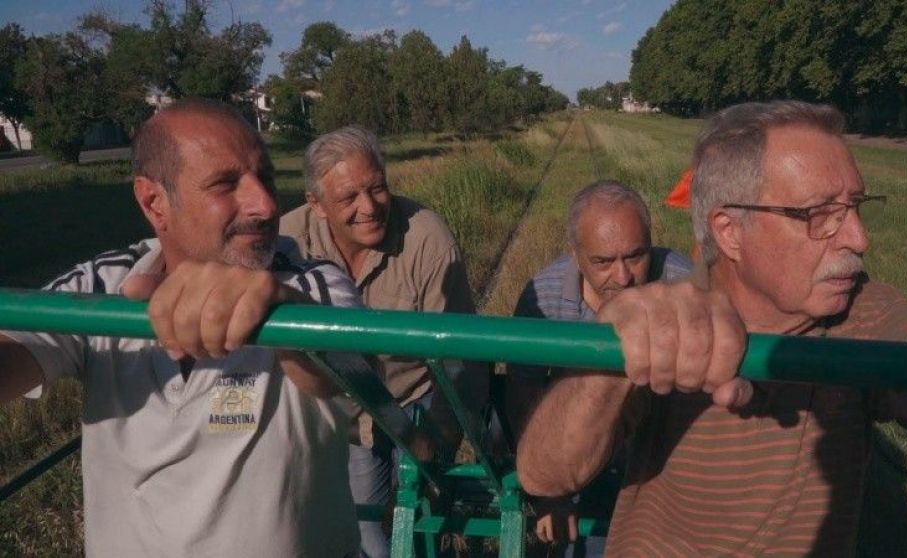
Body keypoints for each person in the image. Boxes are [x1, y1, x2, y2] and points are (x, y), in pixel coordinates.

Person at [516, 100, 907, 556]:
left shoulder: (859, 313)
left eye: (856, 206)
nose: (859, 238)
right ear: (728, 232)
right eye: (819, 214)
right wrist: (609, 362)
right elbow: (544, 475)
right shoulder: (674, 316)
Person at [0, 99, 363, 557]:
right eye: (225, 183)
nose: (267, 204)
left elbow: (347, 372)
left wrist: (279, 308)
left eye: (265, 177)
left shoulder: (311, 282)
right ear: (155, 203)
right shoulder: (103, 284)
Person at [280, 125, 486, 558]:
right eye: (348, 198)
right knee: (369, 532)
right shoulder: (286, 242)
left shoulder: (427, 237)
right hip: (343, 411)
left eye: (377, 188)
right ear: (315, 205)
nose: (370, 207)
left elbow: (462, 357)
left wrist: (437, 443)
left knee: (419, 519)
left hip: (415, 397)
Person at [504, 180, 691, 554]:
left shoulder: (684, 285)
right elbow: (523, 393)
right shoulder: (544, 296)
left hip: (662, 457)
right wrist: (550, 495)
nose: (623, 278)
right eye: (603, 262)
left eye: (636, 257)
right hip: (582, 455)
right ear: (576, 254)